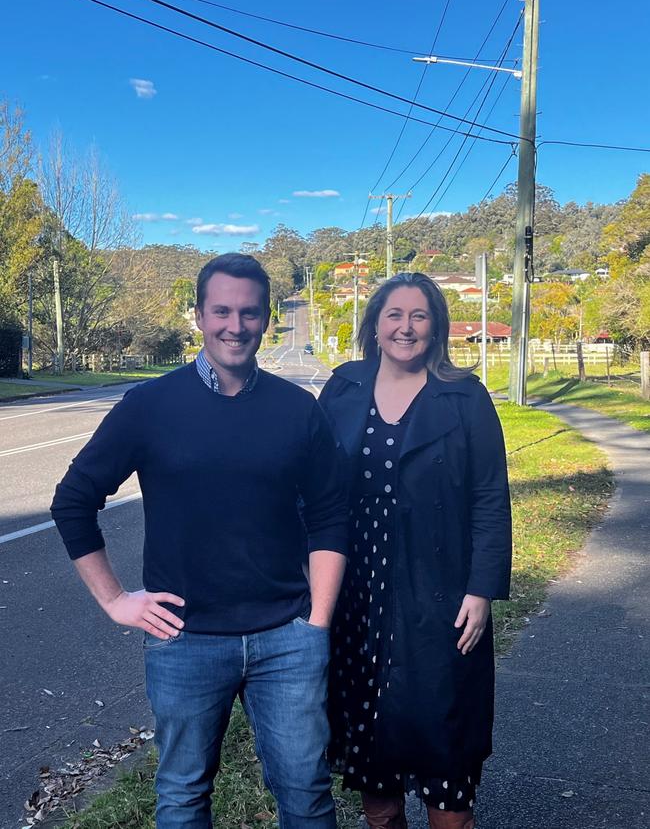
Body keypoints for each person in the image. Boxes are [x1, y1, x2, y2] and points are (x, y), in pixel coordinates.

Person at [51, 253, 348, 829]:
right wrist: (116, 601)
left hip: (287, 637)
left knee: (307, 792)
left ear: (267, 319)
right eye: (221, 311)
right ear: (198, 315)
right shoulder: (149, 406)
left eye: (249, 313)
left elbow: (332, 514)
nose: (235, 326)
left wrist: (318, 623)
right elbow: (73, 501)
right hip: (185, 641)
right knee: (183, 795)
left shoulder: (297, 410)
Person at [318, 272, 512, 829]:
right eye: (394, 315)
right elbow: (313, 485)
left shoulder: (464, 395)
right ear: (374, 326)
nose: (406, 327)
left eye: (419, 315)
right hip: (357, 601)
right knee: (374, 774)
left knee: (445, 762)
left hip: (441, 597)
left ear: (437, 327)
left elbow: (490, 498)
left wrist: (481, 589)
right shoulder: (345, 387)